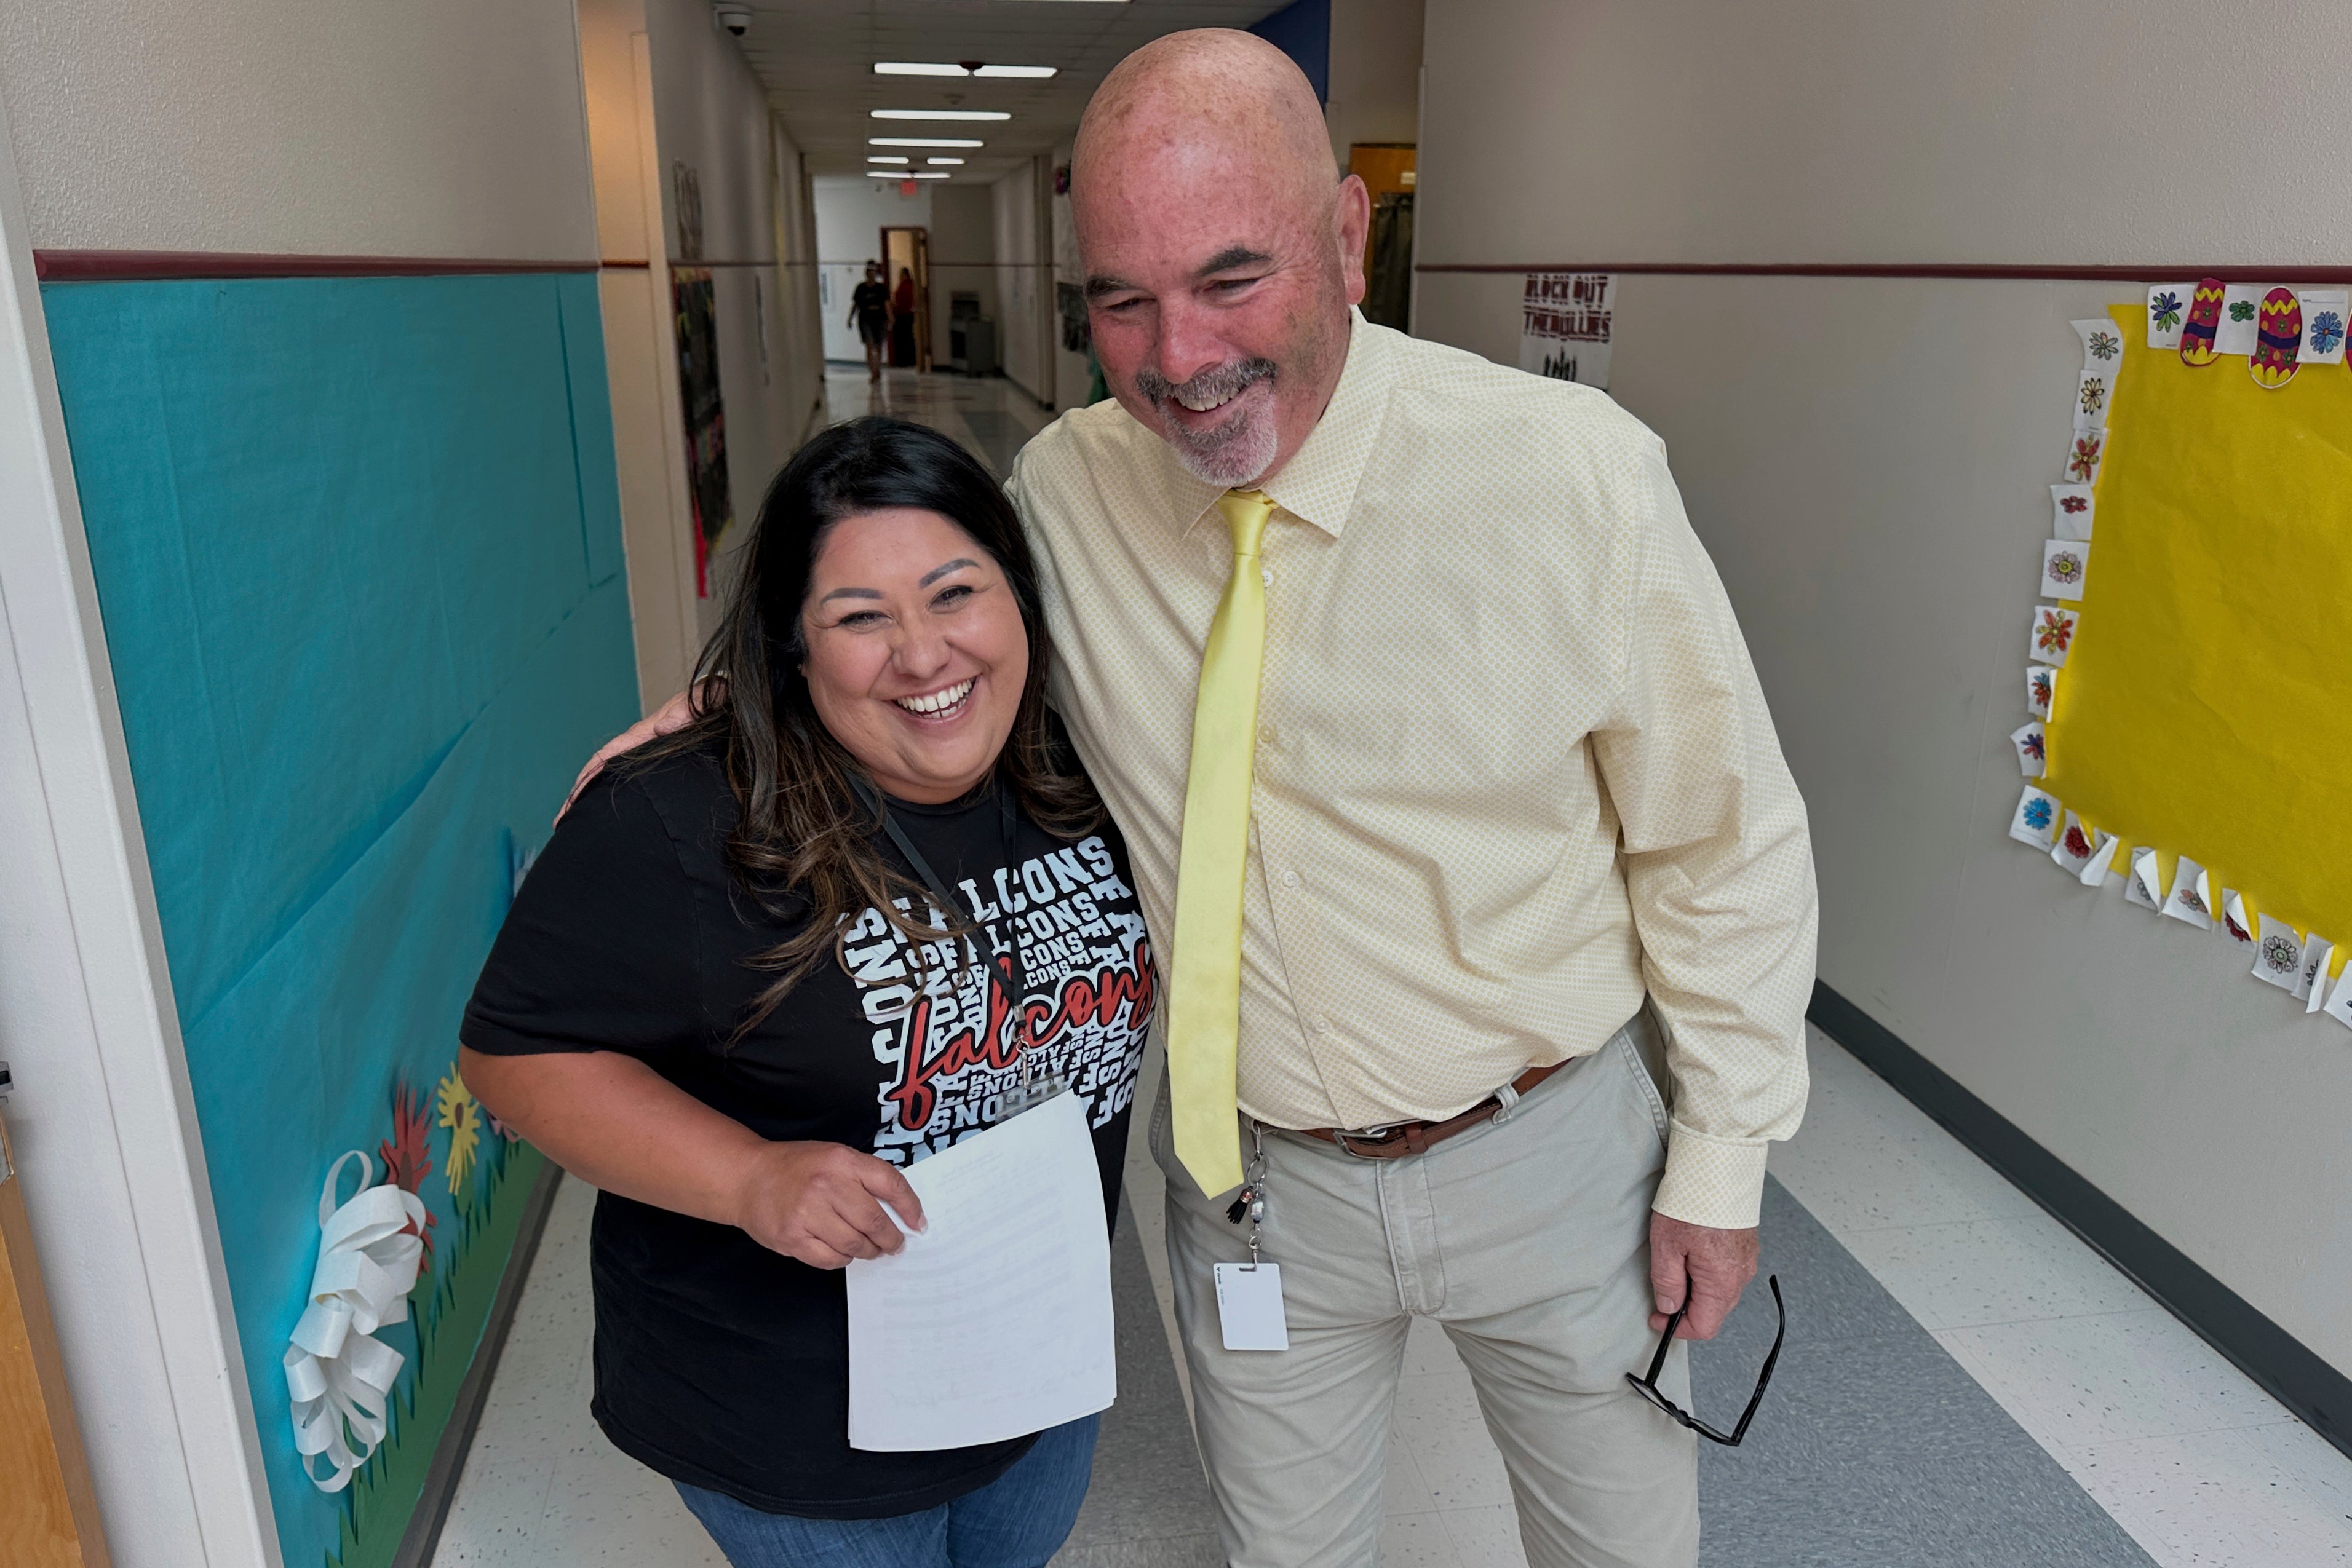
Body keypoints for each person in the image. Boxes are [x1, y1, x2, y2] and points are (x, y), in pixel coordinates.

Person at [581, 28, 1816, 1568]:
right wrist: (730, 707)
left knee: (1625, 1548)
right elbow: (929, 654)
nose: (1177, 359)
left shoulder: (1574, 483)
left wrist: (1720, 1162)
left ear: (1347, 240)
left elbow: (1723, 845)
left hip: (1554, 1152)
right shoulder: (1068, 491)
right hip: (1256, 1183)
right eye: (1121, 299)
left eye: (1232, 279)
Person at [464, 417, 1155, 1568]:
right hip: (800, 1430)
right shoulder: (678, 821)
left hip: (1038, 1370)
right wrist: (748, 1177)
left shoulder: (1083, 762)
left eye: (953, 594)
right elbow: (515, 1054)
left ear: (1020, 598)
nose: (924, 655)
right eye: (858, 619)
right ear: (792, 647)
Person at [849, 260, 890, 382]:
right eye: (869, 271)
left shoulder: (881, 289)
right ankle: (873, 372)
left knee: (879, 347)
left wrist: (890, 317)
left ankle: (877, 369)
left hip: (880, 320)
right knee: (869, 346)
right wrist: (850, 318)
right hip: (865, 320)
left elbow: (886, 304)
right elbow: (855, 305)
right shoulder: (860, 288)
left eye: (873, 271)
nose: (871, 274)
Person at [891, 265, 919, 368]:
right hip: (907, 316)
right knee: (908, 339)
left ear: (905, 275)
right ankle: (910, 360)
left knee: (902, 340)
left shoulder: (905, 287)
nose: (900, 276)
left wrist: (894, 307)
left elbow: (902, 303)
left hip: (903, 316)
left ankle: (903, 361)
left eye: (901, 274)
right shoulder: (911, 286)